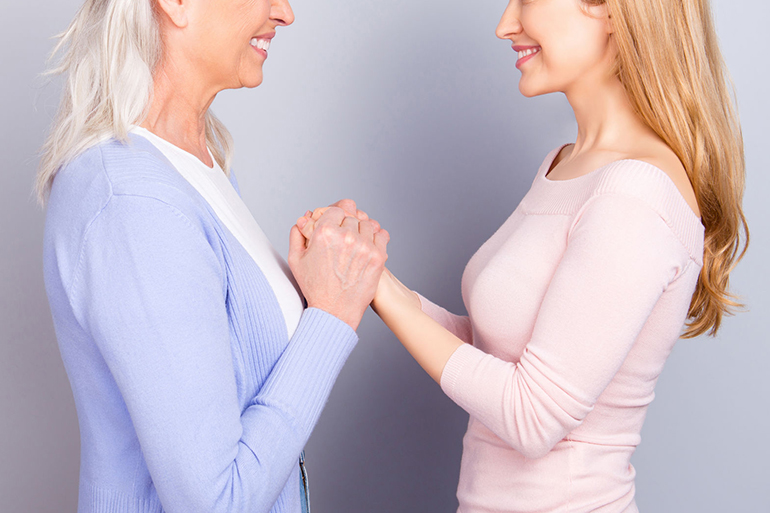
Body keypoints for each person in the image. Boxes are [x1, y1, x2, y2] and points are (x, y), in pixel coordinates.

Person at [297, 0, 748, 511]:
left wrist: (378, 290)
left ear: (612, 10)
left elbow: (533, 417)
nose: (505, 24)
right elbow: (494, 354)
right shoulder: (568, 164)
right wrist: (369, 275)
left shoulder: (635, 193)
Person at [37, 0, 388, 512]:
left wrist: (314, 283)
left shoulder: (191, 164)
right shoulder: (134, 203)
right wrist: (330, 317)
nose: (285, 12)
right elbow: (216, 502)